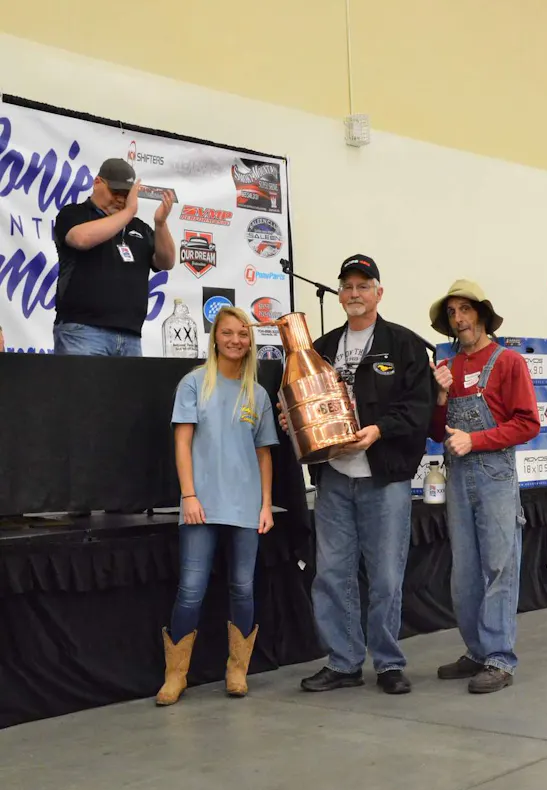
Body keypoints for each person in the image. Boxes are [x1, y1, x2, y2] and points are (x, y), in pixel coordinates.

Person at [283, 254, 434, 696]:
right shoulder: (321, 348)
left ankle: (388, 663)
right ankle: (344, 662)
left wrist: (378, 431)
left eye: (363, 286)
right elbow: (304, 401)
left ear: (378, 293)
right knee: (332, 574)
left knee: (385, 576)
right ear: (339, 294)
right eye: (347, 286)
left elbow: (418, 408)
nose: (354, 293)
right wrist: (291, 415)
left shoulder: (404, 344)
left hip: (384, 477)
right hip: (333, 477)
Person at [156, 307, 278, 706]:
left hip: (246, 507)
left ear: (250, 342)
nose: (235, 340)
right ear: (215, 338)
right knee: (191, 590)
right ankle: (176, 675)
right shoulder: (194, 383)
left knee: (242, 588)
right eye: (227, 333)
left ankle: (237, 670)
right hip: (201, 506)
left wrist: (265, 504)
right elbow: (182, 443)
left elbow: (263, 454)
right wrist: (189, 495)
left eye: (243, 334)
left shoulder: (257, 394)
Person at [428, 279, 540, 694]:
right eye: (452, 313)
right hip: (458, 477)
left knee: (499, 566)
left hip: (494, 475)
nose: (459, 319)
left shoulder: (508, 362)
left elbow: (528, 423)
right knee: (465, 573)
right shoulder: (448, 367)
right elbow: (435, 431)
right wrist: (440, 398)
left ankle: (499, 658)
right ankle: (477, 651)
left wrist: (475, 440)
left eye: (465, 310)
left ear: (482, 314)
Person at [53, 158, 176, 357]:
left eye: (126, 194)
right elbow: (81, 239)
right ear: (97, 182)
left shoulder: (139, 227)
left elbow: (166, 261)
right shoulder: (74, 213)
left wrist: (160, 224)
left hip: (130, 334)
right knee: (82, 380)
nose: (120, 199)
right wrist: (129, 211)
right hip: (83, 330)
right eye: (115, 191)